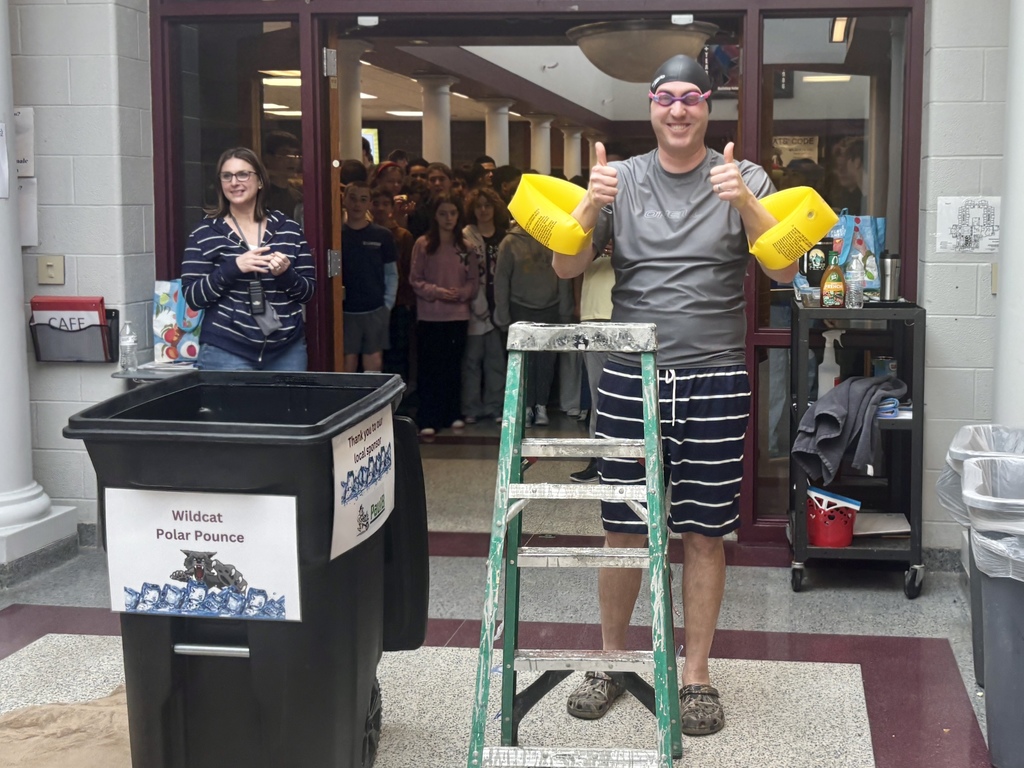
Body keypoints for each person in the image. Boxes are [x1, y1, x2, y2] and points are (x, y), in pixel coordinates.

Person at [550, 54, 797, 735]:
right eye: (667, 97)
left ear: (708, 107)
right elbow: (564, 264)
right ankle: (608, 660)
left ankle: (695, 674)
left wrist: (743, 203)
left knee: (704, 532)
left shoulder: (744, 177)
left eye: (692, 97)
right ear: (652, 106)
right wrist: (587, 202)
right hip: (633, 377)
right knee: (623, 528)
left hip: (717, 377)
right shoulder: (620, 179)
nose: (679, 108)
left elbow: (784, 264)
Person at [182, 147, 315, 371]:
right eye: (227, 176)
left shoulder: (288, 230)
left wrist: (285, 274)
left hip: (286, 350)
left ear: (260, 181)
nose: (235, 182)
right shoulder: (205, 233)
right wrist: (234, 267)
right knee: (231, 408)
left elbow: (308, 292)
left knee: (287, 407)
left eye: (243, 174)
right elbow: (193, 298)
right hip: (226, 350)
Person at [409, 195, 480, 436]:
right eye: (443, 213)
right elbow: (415, 279)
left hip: (458, 316)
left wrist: (461, 293)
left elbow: (474, 281)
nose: (448, 218)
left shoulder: (466, 247)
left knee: (453, 366)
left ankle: (452, 414)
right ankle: (429, 416)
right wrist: (438, 292)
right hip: (431, 316)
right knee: (430, 368)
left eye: (452, 213)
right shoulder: (423, 244)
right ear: (435, 216)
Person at [494, 221, 572, 428]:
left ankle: (542, 405)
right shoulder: (509, 242)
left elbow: (563, 277)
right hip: (520, 307)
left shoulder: (555, 240)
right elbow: (501, 280)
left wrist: (565, 312)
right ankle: (526, 406)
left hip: (550, 307)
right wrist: (502, 315)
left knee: (547, 362)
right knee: (523, 361)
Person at [461, 186, 509, 423]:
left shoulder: (504, 235)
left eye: (487, 205)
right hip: (473, 305)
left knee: (496, 360)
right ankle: (471, 407)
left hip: (499, 304)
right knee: (472, 361)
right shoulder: (466, 236)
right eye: (478, 206)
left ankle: (495, 406)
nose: (483, 210)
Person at [341, 181, 397, 373]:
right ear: (344, 200)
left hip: (375, 308)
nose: (357, 204)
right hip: (345, 311)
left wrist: (387, 304)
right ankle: (346, 403)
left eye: (363, 199)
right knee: (347, 362)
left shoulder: (382, 235)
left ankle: (375, 403)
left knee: (374, 362)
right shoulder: (335, 234)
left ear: (369, 203)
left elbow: (391, 273)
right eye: (353, 198)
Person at [371, 186, 417, 386]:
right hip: (372, 302)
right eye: (376, 203)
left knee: (397, 352)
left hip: (398, 303)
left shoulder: (402, 235)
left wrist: (407, 300)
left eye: (385, 204)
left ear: (392, 207)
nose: (380, 208)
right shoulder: (366, 232)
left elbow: (407, 270)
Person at [261, 131, 303, 221]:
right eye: (284, 154)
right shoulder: (260, 196)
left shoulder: (297, 196)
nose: (292, 161)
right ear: (267, 158)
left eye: (296, 155)